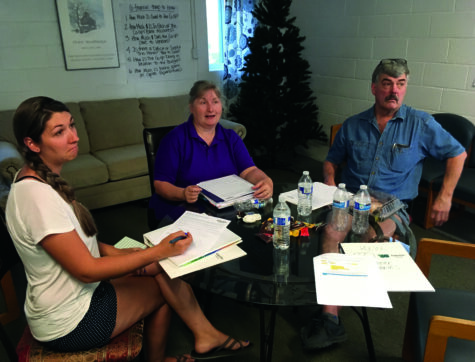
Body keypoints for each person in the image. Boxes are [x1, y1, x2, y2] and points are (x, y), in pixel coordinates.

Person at [5, 96, 253, 362]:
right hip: (68, 321)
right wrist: (154, 253)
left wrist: (130, 254)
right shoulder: (37, 197)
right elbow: (86, 271)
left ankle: (203, 337)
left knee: (160, 270)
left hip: (73, 297)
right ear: (32, 143)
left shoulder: (41, 180)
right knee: (163, 284)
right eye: (59, 132)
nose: (74, 137)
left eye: (72, 126)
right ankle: (200, 338)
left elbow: (79, 246)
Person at [300, 58, 467, 351]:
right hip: (352, 199)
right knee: (331, 232)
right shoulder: (353, 125)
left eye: (401, 84)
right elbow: (331, 160)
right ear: (374, 88)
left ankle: (343, 299)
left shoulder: (421, 124)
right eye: (388, 83)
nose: (394, 90)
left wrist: (445, 195)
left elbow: (458, 153)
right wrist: (328, 180)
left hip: (393, 205)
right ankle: (330, 319)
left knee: (369, 238)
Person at [149, 80, 273, 220]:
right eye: (203, 102)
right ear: (191, 107)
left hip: (225, 210)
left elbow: (249, 170)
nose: (211, 109)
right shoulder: (174, 139)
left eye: (215, 101)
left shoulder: (231, 138)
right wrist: (183, 193)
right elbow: (161, 184)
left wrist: (265, 180)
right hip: (184, 208)